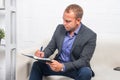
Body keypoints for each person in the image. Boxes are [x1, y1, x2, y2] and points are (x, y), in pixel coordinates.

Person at [29, 4, 97, 80]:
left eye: (68, 21)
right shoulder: (59, 28)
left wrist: (63, 66)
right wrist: (43, 54)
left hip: (75, 68)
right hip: (56, 65)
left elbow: (83, 61)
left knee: (86, 72)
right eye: (63, 19)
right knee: (37, 65)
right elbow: (51, 48)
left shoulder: (90, 35)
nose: (64, 23)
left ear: (78, 20)